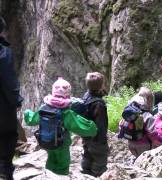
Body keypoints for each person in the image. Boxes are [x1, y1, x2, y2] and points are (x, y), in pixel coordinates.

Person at [24, 77, 97, 175]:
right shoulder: (66, 112)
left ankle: (49, 175)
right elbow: (79, 126)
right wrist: (93, 128)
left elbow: (31, 120)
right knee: (62, 163)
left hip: (46, 141)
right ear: (67, 95)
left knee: (51, 160)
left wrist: (27, 112)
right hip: (61, 143)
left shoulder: (44, 108)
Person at [0, 16, 24, 180]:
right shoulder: (3, 52)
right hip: (2, 107)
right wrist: (16, 100)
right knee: (6, 139)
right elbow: (8, 80)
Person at [81, 72, 109, 177]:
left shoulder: (86, 96)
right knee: (100, 160)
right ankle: (96, 175)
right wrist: (102, 141)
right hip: (97, 139)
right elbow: (100, 124)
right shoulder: (98, 104)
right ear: (101, 85)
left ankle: (85, 174)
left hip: (86, 136)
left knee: (87, 156)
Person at [127, 87, 154, 158]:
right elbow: (153, 133)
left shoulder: (128, 113)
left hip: (130, 143)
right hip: (144, 145)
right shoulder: (148, 116)